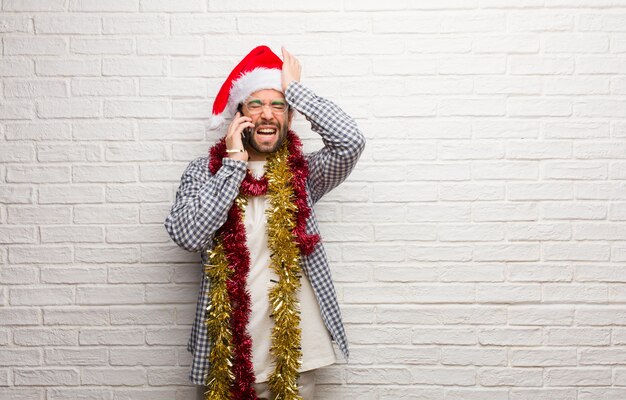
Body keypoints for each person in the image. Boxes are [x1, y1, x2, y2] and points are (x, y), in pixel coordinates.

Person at [164, 45, 365, 400]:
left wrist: (297, 91)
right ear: (238, 115)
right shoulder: (204, 173)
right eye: (256, 104)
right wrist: (233, 166)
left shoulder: (305, 175)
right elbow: (188, 235)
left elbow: (350, 142)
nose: (267, 115)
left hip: (296, 355)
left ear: (290, 116)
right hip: (224, 355)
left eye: (278, 105)